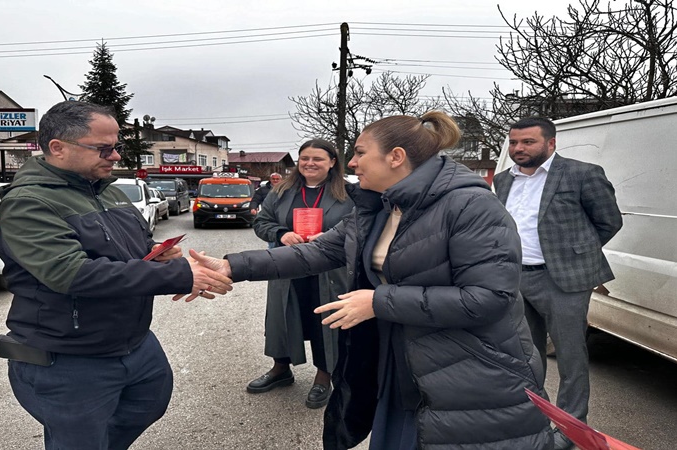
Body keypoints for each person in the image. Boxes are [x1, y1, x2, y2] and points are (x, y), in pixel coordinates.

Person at [191, 112, 553, 449]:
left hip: (466, 369)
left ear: (395, 157)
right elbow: (314, 253)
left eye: (360, 152)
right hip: (403, 359)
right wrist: (232, 266)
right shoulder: (378, 206)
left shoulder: (471, 206)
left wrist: (377, 301)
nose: (351, 163)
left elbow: (489, 298)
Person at [0, 100, 232, 450]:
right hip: (70, 357)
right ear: (57, 148)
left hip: (133, 343)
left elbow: (135, 249)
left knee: (149, 403)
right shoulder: (29, 202)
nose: (116, 156)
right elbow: (71, 273)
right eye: (103, 148)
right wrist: (178, 276)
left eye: (115, 145)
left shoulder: (110, 192)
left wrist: (161, 256)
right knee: (79, 441)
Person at [493, 116, 623, 450]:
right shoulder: (504, 180)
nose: (519, 148)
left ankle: (571, 431)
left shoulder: (582, 174)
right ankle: (532, 421)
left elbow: (609, 221)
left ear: (551, 143)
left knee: (570, 358)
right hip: (518, 277)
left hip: (564, 280)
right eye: (514, 142)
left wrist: (575, 253)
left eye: (528, 142)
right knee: (526, 356)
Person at [247, 139, 354, 409]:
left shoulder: (349, 193)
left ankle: (324, 376)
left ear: (332, 162)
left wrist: (331, 238)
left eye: (317, 158)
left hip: (329, 269)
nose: (309, 163)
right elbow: (261, 222)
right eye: (304, 158)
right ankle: (281, 368)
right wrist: (281, 234)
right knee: (281, 318)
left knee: (327, 321)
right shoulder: (282, 191)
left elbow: (360, 227)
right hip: (287, 266)